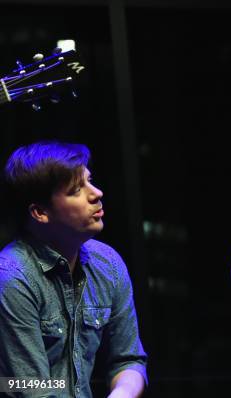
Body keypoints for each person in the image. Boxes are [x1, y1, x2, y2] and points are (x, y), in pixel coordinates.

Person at [0, 141, 147, 398]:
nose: (97, 193)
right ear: (40, 212)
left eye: (90, 181)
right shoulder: (12, 276)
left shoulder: (108, 263)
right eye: (77, 189)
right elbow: (31, 389)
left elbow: (129, 360)